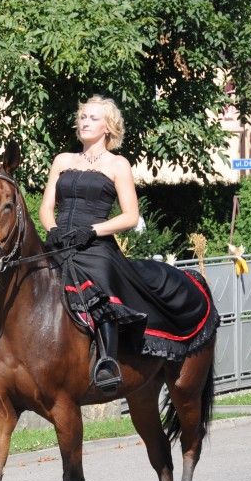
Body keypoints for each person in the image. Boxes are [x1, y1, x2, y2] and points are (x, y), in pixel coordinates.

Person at [39, 96, 218, 392]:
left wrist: (92, 231)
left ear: (108, 127)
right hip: (59, 243)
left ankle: (107, 362)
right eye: (83, 116)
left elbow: (131, 216)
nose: (85, 121)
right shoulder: (62, 160)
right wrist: (53, 229)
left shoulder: (117, 164)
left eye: (93, 118)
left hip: (95, 247)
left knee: (101, 288)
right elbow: (46, 207)